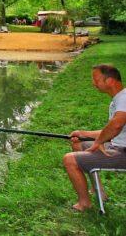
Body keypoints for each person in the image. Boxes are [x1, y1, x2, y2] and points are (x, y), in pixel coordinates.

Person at [63, 64, 126, 211]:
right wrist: (83, 134)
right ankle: (100, 193)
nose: (93, 83)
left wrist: (99, 142)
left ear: (109, 81)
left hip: (122, 151)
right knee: (78, 144)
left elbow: (115, 126)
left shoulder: (123, 99)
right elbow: (112, 130)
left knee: (69, 159)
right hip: (118, 145)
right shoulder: (119, 98)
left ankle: (84, 203)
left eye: (96, 79)